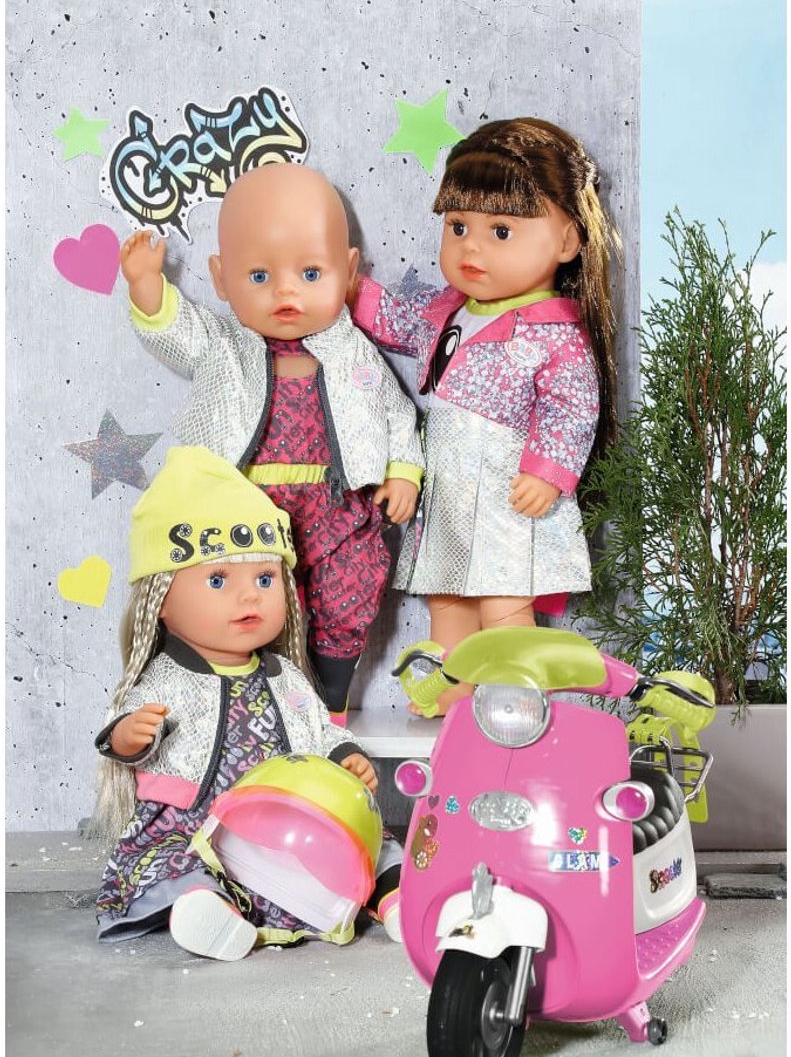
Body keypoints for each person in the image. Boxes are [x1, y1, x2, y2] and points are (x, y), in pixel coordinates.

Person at [120, 164, 424, 723]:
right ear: (221, 278)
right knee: (251, 603)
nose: (286, 291)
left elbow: (396, 411)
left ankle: (330, 701)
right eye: (259, 275)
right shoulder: (226, 345)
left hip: (336, 507)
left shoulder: (352, 351)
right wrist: (147, 287)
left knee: (350, 590)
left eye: (310, 273)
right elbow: (180, 334)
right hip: (248, 508)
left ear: (348, 271)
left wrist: (404, 471)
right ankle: (257, 700)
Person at [92, 446, 402, 958]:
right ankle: (207, 910)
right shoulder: (166, 678)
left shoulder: (285, 676)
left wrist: (345, 757)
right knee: (175, 861)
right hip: (197, 822)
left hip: (283, 820)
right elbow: (120, 729)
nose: (250, 596)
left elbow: (319, 730)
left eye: (265, 579)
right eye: (218, 580)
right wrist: (129, 736)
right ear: (161, 601)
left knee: (375, 841)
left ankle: (397, 899)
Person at [353, 118, 620, 713]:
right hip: (448, 489)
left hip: (505, 491)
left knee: (503, 597)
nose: (471, 247)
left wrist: (548, 470)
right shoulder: (448, 310)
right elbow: (398, 323)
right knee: (446, 595)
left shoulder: (553, 332)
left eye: (501, 230)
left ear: (567, 242)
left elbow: (573, 404)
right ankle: (453, 692)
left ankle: (514, 700)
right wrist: (351, 291)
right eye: (458, 227)